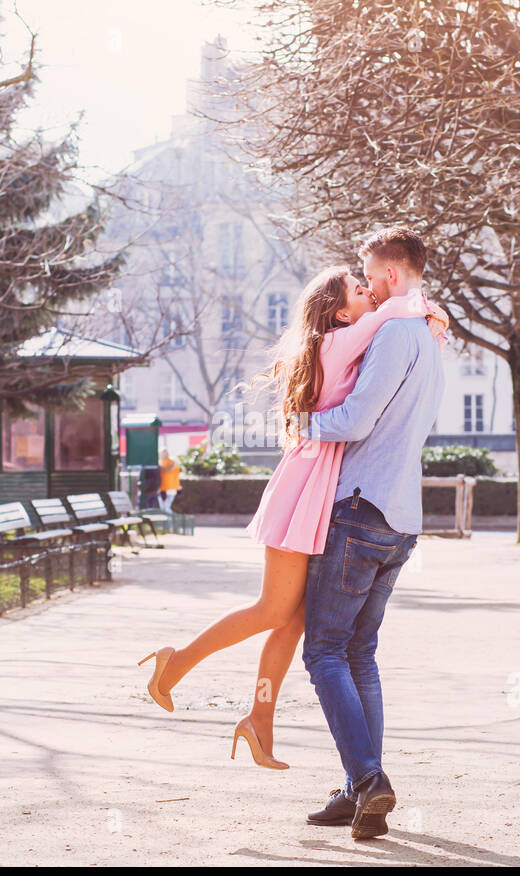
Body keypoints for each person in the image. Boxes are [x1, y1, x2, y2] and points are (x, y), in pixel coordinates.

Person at [137, 255, 447, 773]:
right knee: (272, 611)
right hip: (304, 487)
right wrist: (420, 305)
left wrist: (427, 318)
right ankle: (176, 663)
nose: (367, 291)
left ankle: (259, 718)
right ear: (340, 312)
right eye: (356, 287)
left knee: (299, 618)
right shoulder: (337, 340)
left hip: (324, 489)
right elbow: (385, 318)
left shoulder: (359, 339)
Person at [297, 226, 445, 840]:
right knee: (359, 653)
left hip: (360, 510)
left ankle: (366, 780)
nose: (366, 284)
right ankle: (361, 788)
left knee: (324, 650)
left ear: (388, 276)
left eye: (367, 272)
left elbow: (355, 420)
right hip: (401, 518)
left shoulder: (394, 333)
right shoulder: (433, 339)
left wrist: (298, 419)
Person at [158, 448, 180, 513]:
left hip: (170, 488)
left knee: (166, 508)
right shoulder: (164, 462)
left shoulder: (172, 462)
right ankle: (170, 521)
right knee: (164, 508)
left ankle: (171, 521)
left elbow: (168, 469)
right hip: (163, 489)